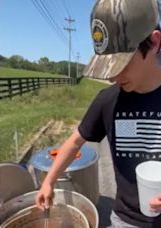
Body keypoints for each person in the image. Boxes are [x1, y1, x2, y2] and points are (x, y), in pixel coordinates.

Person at [35, 0, 161, 227]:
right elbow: (74, 143)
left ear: (154, 42)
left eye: (120, 64)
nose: (113, 76)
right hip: (125, 220)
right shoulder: (108, 100)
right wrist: (49, 181)